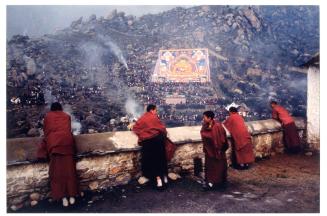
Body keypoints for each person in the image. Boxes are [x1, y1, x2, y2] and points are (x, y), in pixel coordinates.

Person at [37, 102, 79, 207]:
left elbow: (46, 132)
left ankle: (63, 197)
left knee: (57, 173)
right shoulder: (66, 116)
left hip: (54, 146)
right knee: (70, 171)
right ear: (61, 108)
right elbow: (67, 130)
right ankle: (72, 196)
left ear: (51, 109)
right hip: (67, 145)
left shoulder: (47, 116)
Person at [132, 104, 169, 190]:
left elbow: (135, 128)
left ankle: (158, 181)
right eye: (156, 110)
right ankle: (165, 178)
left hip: (148, 143)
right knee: (161, 160)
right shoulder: (154, 117)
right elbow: (162, 129)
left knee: (152, 161)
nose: (156, 112)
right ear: (152, 110)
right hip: (158, 142)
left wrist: (144, 134)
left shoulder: (143, 118)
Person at [200, 111, 228, 191]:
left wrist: (219, 148)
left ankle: (215, 183)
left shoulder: (217, 126)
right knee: (210, 167)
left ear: (209, 118)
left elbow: (220, 137)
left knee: (218, 167)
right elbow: (204, 134)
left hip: (217, 150)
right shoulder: (205, 125)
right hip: (210, 151)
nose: (203, 119)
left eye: (204, 117)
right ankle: (211, 181)